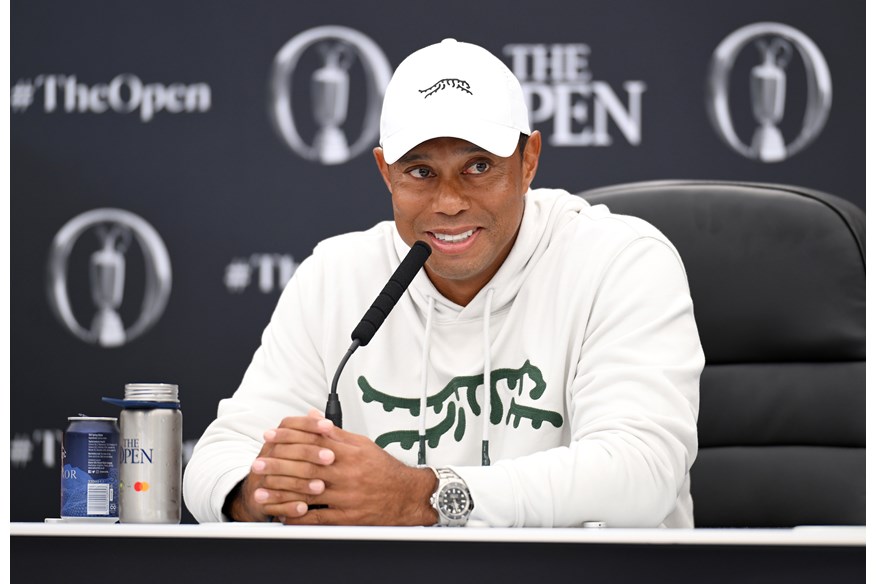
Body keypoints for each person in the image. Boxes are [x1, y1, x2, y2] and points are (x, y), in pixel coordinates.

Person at [183, 38, 704, 528]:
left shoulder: (620, 260)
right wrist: (262, 491)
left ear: (529, 162)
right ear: (386, 172)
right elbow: (217, 460)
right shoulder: (335, 274)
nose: (450, 202)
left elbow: (641, 472)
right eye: (420, 171)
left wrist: (422, 496)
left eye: (478, 166)